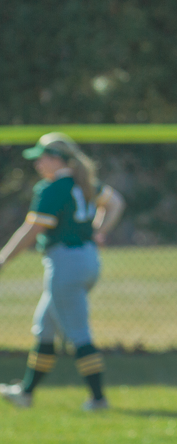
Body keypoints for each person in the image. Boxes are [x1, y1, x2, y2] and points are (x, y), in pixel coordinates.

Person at [0, 133, 125, 410]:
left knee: (78, 333)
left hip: (66, 263)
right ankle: (26, 393)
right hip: (87, 259)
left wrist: (3, 259)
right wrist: (99, 231)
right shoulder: (85, 182)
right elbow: (115, 202)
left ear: (57, 158)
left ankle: (98, 399)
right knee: (45, 327)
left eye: (41, 158)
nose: (38, 164)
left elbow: (32, 230)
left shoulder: (53, 188)